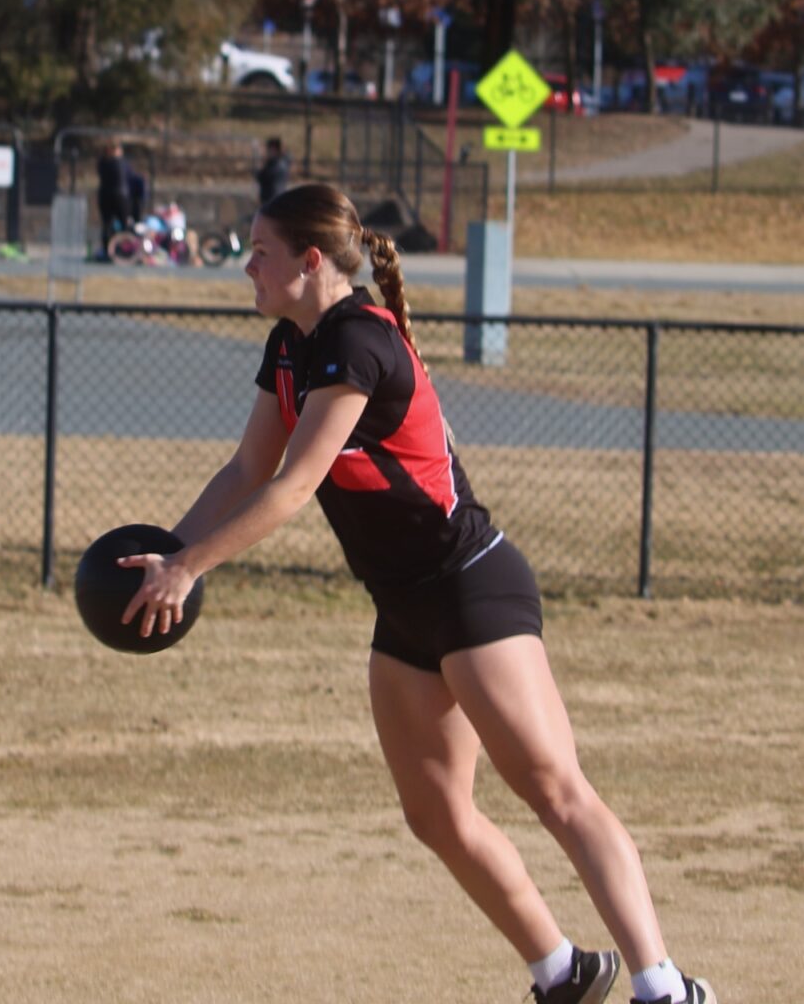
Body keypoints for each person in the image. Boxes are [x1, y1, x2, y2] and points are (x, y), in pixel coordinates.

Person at [118, 183, 717, 1004]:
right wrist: (169, 551)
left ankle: (663, 988)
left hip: (471, 589)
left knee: (554, 791)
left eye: (260, 251)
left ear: (311, 261)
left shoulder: (357, 341)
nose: (246, 265)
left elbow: (294, 487)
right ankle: (563, 971)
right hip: (402, 606)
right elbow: (246, 469)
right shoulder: (291, 346)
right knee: (435, 814)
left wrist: (191, 570)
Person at [96, 141, 133, 256]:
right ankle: (125, 250)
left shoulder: (102, 163)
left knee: (107, 224)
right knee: (124, 224)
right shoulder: (121, 163)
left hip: (105, 196)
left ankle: (108, 249)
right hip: (120, 196)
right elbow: (130, 177)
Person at [255, 136, 290, 206]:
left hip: (271, 201)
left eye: (267, 149)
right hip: (276, 200)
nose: (266, 152)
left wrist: (260, 163)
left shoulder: (274, 165)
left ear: (273, 149)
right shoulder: (282, 162)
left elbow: (261, 177)